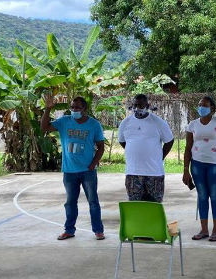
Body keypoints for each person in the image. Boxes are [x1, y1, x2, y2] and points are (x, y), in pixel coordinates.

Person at [42, 94, 106, 240]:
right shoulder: (64, 121)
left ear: (85, 109)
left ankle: (98, 230)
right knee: (70, 202)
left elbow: (101, 147)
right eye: (72, 107)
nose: (74, 109)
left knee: (93, 202)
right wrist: (47, 109)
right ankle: (69, 230)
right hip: (69, 171)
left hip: (88, 172)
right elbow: (44, 127)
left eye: (77, 107)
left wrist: (92, 165)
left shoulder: (94, 125)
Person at [183, 96, 216, 242]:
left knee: (214, 195)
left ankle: (215, 230)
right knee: (202, 196)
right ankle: (204, 229)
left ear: (212, 108)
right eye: (199, 105)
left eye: (204, 105)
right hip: (197, 165)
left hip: (215, 165)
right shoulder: (192, 125)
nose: (201, 107)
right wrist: (186, 169)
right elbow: (188, 148)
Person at [118, 94, 174, 202]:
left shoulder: (158, 122)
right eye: (136, 105)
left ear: (147, 106)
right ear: (132, 106)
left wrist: (161, 156)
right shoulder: (125, 123)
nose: (138, 108)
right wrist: (134, 151)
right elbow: (122, 141)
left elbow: (169, 141)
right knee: (135, 205)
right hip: (133, 173)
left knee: (154, 205)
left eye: (141, 105)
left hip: (154, 173)